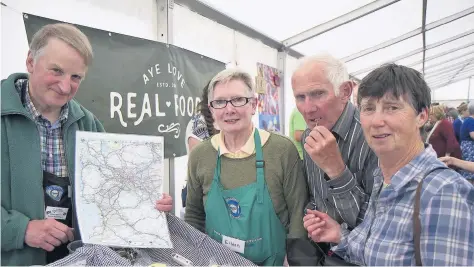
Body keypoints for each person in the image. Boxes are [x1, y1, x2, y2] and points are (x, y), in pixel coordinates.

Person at [303, 64, 474, 266]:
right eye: (368, 108)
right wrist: (339, 234)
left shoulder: (443, 192)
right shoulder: (383, 179)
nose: (376, 121)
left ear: (422, 116)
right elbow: (375, 251)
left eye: (392, 107)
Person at [157, 68, 308, 266]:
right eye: (220, 102)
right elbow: (194, 215)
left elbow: (298, 214)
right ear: (211, 110)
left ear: (253, 105)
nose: (229, 109)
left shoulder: (281, 150)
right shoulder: (201, 156)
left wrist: (295, 260)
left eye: (238, 100)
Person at [1, 23, 105, 266]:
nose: (65, 86)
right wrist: (20, 229)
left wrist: (145, 205)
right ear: (30, 62)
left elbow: (107, 199)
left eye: (76, 77)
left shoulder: (89, 124)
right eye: (56, 71)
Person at [291, 54, 378, 251]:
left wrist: (336, 170)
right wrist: (312, 214)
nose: (308, 108)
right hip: (322, 251)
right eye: (300, 97)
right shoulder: (308, 136)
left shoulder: (373, 136)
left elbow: (377, 220)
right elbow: (317, 195)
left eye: (318, 94)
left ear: (345, 91)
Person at [459, 101, 474, 181]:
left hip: (465, 146)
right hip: (470, 148)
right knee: (469, 171)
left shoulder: (467, 120)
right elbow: (472, 135)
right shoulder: (471, 121)